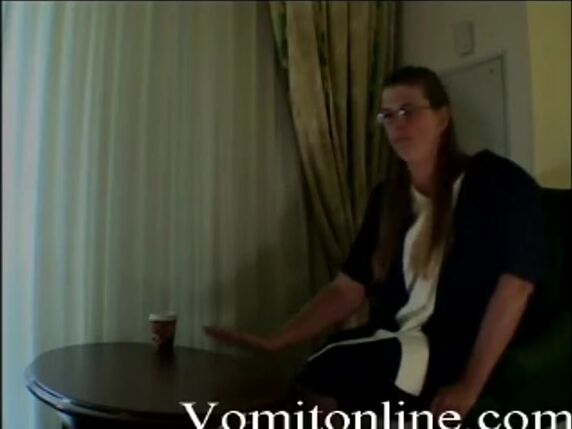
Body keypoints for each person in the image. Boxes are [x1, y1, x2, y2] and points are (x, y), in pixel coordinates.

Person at [204, 66, 544, 425]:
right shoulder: (388, 199)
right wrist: (279, 339)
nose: (397, 125)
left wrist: (469, 386)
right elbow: (347, 288)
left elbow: (516, 287)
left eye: (408, 111)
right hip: (394, 339)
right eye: (387, 115)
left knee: (329, 370)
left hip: (449, 348)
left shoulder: (498, 182)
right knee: (317, 369)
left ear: (442, 118)